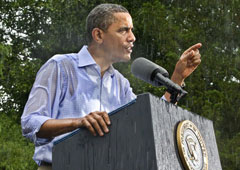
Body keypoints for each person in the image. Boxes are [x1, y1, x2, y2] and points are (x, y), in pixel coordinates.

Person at [21, 3, 201, 170]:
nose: (132, 38)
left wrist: (177, 78)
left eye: (132, 30)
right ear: (98, 35)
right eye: (124, 30)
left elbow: (148, 125)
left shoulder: (121, 84)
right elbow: (30, 122)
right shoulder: (60, 66)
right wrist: (78, 123)